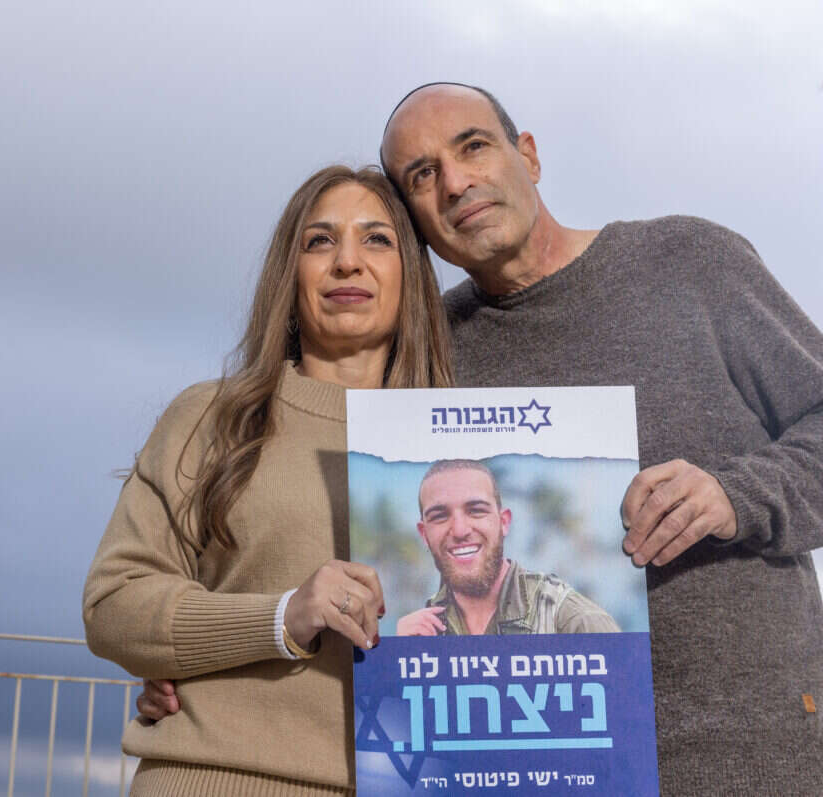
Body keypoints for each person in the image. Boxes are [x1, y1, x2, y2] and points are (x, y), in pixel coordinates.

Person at [379, 83, 823, 794]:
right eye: (423, 175)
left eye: (473, 147)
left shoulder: (689, 260)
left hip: (755, 752)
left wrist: (735, 494)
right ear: (413, 221)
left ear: (528, 156)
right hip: (548, 771)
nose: (455, 183)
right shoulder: (425, 355)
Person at [83, 165, 454, 796]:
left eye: (376, 239)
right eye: (320, 241)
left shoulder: (466, 447)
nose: (347, 262)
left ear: (411, 277)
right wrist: (282, 615)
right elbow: (113, 606)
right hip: (215, 780)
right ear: (290, 273)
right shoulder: (210, 416)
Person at [396, 459, 619, 636]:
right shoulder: (421, 633)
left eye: (476, 510)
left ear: (504, 522)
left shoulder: (574, 622)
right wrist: (397, 657)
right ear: (424, 534)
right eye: (439, 516)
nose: (460, 530)